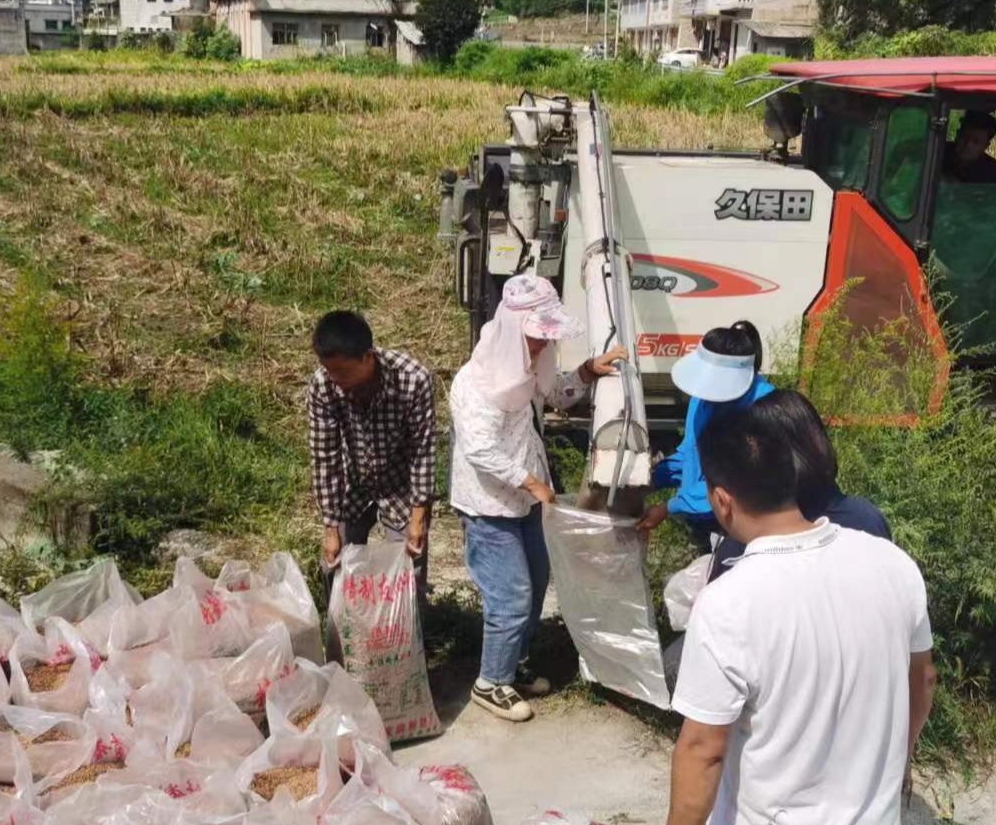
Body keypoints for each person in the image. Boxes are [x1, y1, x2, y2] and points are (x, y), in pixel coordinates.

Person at [655, 400, 937, 825]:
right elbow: (923, 682)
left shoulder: (730, 603)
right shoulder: (892, 564)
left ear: (723, 502)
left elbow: (704, 748)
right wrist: (897, 760)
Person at [449, 275, 625, 723]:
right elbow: (480, 450)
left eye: (547, 337)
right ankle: (490, 683)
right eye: (537, 336)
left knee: (534, 587)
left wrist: (586, 374)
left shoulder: (527, 366)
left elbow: (553, 396)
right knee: (510, 596)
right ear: (513, 328)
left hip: (526, 500)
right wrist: (530, 482)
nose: (543, 345)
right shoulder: (477, 382)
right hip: (490, 505)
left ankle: (512, 663)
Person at [662, 388, 890, 690]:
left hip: (777, 686)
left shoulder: (749, 537)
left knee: (675, 663)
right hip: (860, 678)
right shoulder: (868, 519)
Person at [306, 310, 436, 587]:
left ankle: (407, 629)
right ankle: (344, 627)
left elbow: (422, 451)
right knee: (335, 565)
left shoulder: (413, 380)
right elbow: (325, 458)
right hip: (352, 483)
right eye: (329, 370)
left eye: (341, 372)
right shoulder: (323, 386)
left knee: (409, 572)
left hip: (400, 485)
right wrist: (330, 528)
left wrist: (418, 518)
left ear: (367, 357)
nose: (334, 378)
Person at [635, 322, 774, 553]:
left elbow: (734, 480)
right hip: (706, 519)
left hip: (745, 530)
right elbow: (691, 453)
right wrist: (649, 480)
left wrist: (669, 507)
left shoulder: (762, 410)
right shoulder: (703, 398)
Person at [942, 110, 996, 184]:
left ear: (986, 146)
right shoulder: (938, 151)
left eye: (976, 141)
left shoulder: (992, 171)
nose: (968, 144)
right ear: (957, 134)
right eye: (964, 137)